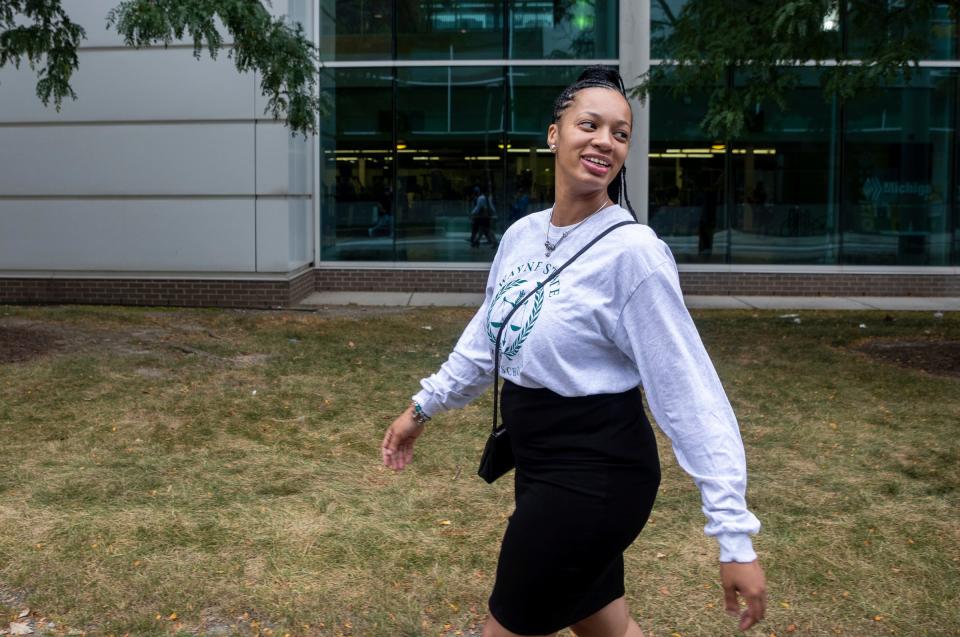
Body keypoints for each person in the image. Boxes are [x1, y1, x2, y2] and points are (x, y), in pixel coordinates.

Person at [381, 66, 767, 637]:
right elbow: (488, 338)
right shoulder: (521, 236)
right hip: (538, 463)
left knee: (507, 626)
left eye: (620, 132)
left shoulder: (634, 254)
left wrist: (733, 536)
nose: (604, 141)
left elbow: (688, 392)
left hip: (597, 473)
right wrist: (421, 410)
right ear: (554, 134)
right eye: (589, 124)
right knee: (603, 622)